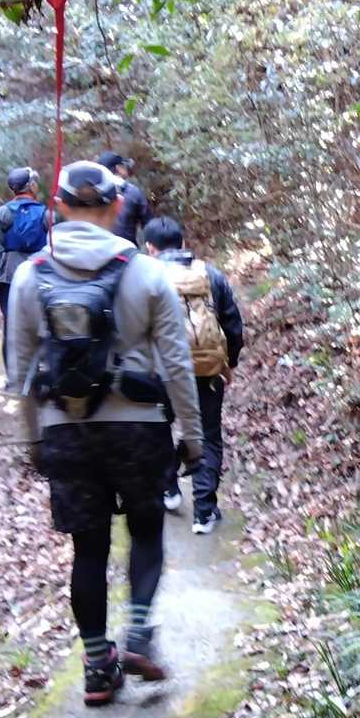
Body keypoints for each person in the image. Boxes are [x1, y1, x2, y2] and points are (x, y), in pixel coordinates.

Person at [6, 161, 203, 707]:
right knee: (145, 529)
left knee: (88, 550)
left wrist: (33, 439)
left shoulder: (30, 275)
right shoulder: (146, 273)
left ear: (58, 206)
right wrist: (191, 434)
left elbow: (20, 368)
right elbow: (177, 363)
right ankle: (138, 632)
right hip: (138, 427)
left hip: (66, 429)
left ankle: (97, 667)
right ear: (118, 205)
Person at [144, 216, 245, 535]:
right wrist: (229, 363)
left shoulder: (144, 278)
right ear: (183, 243)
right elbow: (233, 325)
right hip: (207, 369)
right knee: (208, 435)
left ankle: (169, 490)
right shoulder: (210, 275)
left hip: (160, 370)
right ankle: (204, 512)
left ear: (150, 248)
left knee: (159, 428)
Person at [0, 167, 46, 369]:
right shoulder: (47, 214)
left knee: (12, 326)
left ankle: (14, 376)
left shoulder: (1, 214)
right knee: (44, 323)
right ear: (32, 186)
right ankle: (41, 372)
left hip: (9, 277)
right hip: (42, 275)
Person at [96, 150, 152, 247]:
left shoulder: (92, 193)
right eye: (123, 165)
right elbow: (149, 225)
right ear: (118, 168)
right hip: (127, 250)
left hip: (98, 249)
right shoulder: (133, 192)